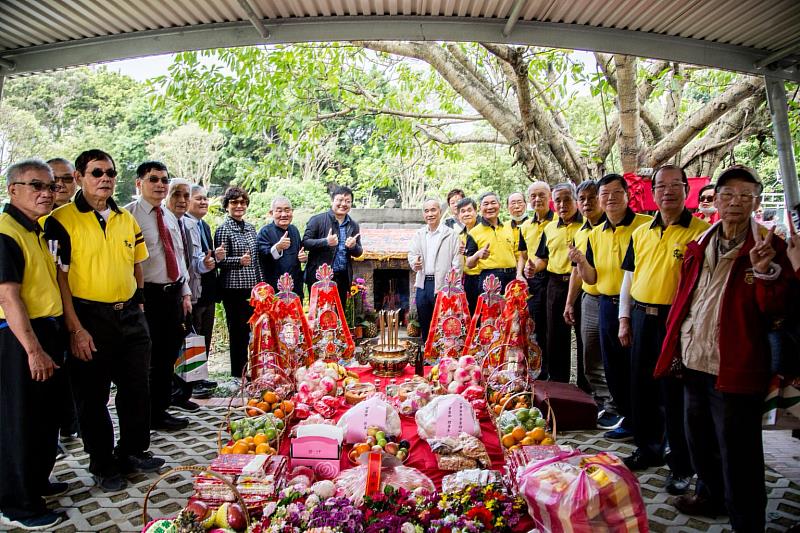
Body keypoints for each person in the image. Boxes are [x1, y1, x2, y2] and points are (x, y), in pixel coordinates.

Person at [654, 165, 793, 531]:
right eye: (728, 195)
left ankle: (747, 520)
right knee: (697, 436)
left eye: (746, 196)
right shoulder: (699, 244)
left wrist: (764, 272)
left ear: (756, 202)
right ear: (714, 199)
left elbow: (779, 309)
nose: (736, 203)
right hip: (693, 357)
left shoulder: (768, 246)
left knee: (740, 450)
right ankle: (709, 495)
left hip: (735, 364)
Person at [46, 149, 164, 492]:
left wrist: (138, 303)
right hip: (87, 317)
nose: (105, 179)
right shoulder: (61, 221)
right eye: (97, 173)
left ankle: (131, 451)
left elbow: (137, 263)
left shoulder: (125, 218)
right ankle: (102, 462)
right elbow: (59, 279)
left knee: (136, 387)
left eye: (110, 173)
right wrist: (75, 328)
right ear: (80, 177)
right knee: (92, 395)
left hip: (128, 314)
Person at [618, 165, 709, 495]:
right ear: (652, 192)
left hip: (677, 322)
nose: (668, 191)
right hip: (642, 317)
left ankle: (681, 465)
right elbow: (628, 278)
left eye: (675, 185)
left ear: (687, 190)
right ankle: (647, 449)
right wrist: (624, 319)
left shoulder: (700, 232)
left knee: (674, 395)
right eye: (661, 186)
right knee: (640, 388)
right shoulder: (641, 231)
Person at [0, 160, 67, 530]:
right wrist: (33, 349)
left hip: (48, 330)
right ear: (13, 190)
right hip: (19, 338)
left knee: (45, 418)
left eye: (51, 186)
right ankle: (17, 504)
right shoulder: (6, 232)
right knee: (20, 421)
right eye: (36, 185)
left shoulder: (36, 229)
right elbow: (9, 298)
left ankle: (36, 483)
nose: (47, 193)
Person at [570, 174, 651, 442]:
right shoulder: (594, 234)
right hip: (605, 304)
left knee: (638, 367)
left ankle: (648, 425)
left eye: (616, 193)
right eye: (605, 194)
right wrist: (581, 261)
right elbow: (592, 278)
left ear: (628, 195)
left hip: (636, 306)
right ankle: (627, 418)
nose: (610, 199)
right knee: (614, 366)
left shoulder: (645, 227)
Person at [126, 163, 194, 431]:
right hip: (146, 297)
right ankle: (145, 414)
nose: (160, 185)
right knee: (146, 359)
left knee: (167, 357)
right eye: (153, 179)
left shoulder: (168, 216)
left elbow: (178, 256)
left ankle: (161, 409)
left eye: (164, 180)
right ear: (138, 183)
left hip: (173, 295)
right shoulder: (128, 216)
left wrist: (185, 292)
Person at [565, 180, 618, 428]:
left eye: (592, 197)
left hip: (618, 301)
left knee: (615, 357)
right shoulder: (581, 232)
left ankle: (618, 407)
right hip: (590, 299)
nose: (587, 203)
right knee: (590, 357)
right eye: (582, 199)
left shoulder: (625, 228)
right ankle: (602, 404)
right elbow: (578, 271)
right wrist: (569, 303)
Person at [523, 183, 584, 384]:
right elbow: (543, 259)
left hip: (583, 285)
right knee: (555, 337)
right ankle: (559, 385)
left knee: (584, 338)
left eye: (567, 199)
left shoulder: (586, 225)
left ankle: (585, 387)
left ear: (575, 200)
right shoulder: (550, 228)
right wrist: (533, 268)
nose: (562, 204)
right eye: (557, 200)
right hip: (555, 284)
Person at [165, 178, 217, 408]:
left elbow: (193, 263)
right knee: (177, 344)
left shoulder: (191, 225)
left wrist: (208, 263)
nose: (182, 201)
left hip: (193, 291)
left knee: (193, 340)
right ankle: (176, 393)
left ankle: (185, 391)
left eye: (186, 196)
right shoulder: (165, 222)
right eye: (177, 195)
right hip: (172, 295)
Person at [46, 157, 81, 456]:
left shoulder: (81, 216)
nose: (60, 186)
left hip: (78, 307)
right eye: (52, 180)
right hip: (43, 315)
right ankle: (51, 435)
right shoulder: (38, 220)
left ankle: (71, 422)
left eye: (67, 179)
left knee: (74, 371)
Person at [214, 186, 263, 380]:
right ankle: (238, 375)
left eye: (243, 202)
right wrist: (238, 261)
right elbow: (219, 260)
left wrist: (261, 285)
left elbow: (256, 258)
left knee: (253, 332)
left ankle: (253, 371)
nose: (239, 206)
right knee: (238, 333)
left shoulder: (250, 227)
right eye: (234, 202)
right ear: (227, 206)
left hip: (252, 288)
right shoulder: (223, 229)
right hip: (233, 288)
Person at [185, 185, 224, 398]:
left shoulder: (204, 226)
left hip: (209, 289)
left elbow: (205, 257)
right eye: (198, 198)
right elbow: (191, 260)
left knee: (205, 333)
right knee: (193, 335)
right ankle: (191, 382)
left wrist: (215, 257)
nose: (203, 202)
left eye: (205, 199)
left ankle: (200, 376)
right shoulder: (184, 224)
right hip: (193, 289)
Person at [408, 199, 463, 343]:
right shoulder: (419, 234)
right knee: (425, 321)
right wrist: (415, 263)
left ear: (440, 212)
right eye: (426, 211)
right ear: (423, 214)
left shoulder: (451, 235)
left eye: (433, 210)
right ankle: (428, 354)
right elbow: (412, 255)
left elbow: (457, 264)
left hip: (444, 285)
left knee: (443, 321)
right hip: (423, 283)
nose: (430, 214)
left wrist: (452, 288)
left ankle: (444, 355)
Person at [303, 185, 363, 308]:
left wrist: (353, 246)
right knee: (319, 315)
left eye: (348, 201)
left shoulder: (353, 225)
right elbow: (305, 243)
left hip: (342, 277)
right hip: (319, 277)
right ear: (332, 201)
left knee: (338, 315)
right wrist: (325, 241)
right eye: (340, 200)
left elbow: (359, 252)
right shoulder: (317, 220)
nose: (343, 204)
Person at [520, 182, 554, 377]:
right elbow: (522, 255)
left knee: (553, 328)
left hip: (554, 278)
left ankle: (554, 373)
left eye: (541, 195)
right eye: (533, 196)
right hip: (533, 281)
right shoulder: (525, 226)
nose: (537, 199)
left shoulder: (558, 222)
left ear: (549, 197)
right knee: (536, 326)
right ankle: (539, 370)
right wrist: (520, 274)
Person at [466, 192, 522, 294]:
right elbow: (469, 263)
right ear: (480, 208)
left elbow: (517, 255)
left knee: (513, 309)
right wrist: (478, 255)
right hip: (490, 279)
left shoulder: (509, 227)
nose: (490, 207)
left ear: (499, 206)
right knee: (491, 309)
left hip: (512, 278)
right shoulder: (474, 232)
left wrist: (519, 275)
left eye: (493, 203)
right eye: (486, 204)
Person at [257, 196, 308, 300]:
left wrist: (303, 257)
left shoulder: (294, 230)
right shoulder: (265, 232)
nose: (284, 215)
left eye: (287, 210)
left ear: (292, 212)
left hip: (295, 287)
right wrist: (278, 247)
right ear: (271, 213)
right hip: (274, 288)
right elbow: (262, 257)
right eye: (279, 211)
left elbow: (300, 253)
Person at [456, 197, 481, 313]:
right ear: (458, 216)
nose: (466, 214)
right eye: (463, 211)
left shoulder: (484, 231)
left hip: (483, 277)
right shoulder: (460, 236)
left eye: (469, 210)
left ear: (476, 211)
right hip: (468, 279)